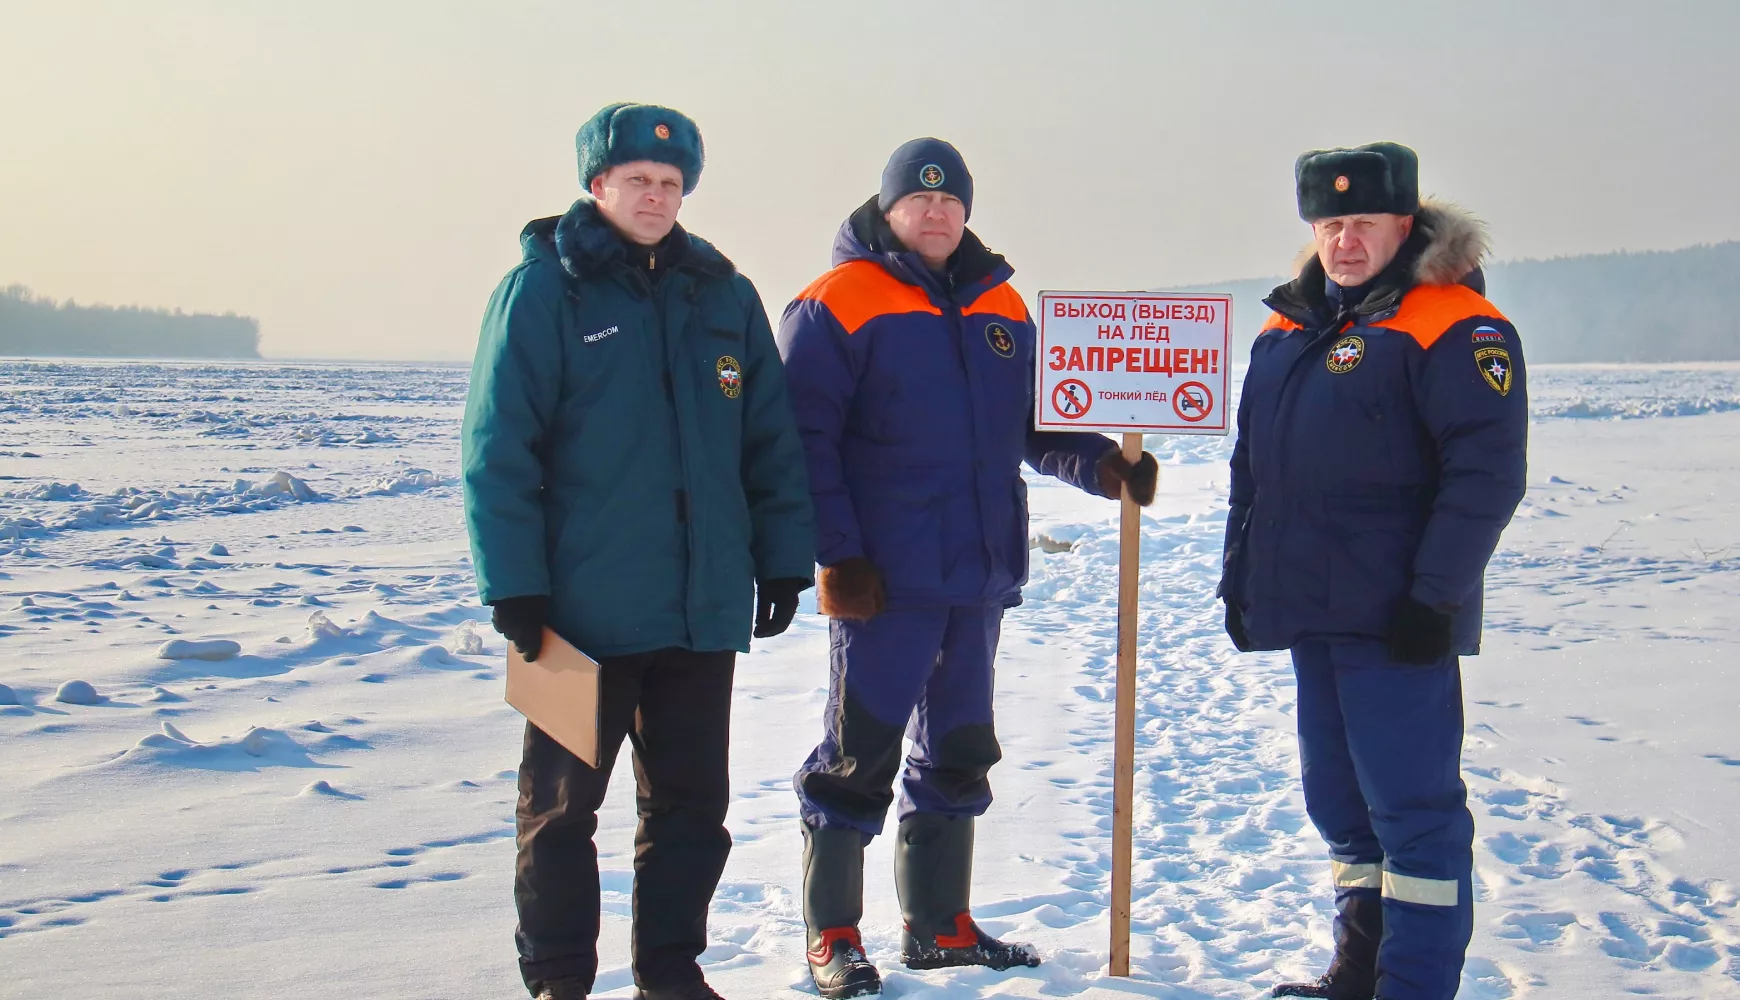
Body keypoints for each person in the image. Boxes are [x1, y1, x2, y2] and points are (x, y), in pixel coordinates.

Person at [778, 137, 1160, 998]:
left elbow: (1037, 423)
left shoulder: (1003, 306)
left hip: (977, 575)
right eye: (920, 200)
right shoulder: (835, 303)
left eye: (951, 202)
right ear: (889, 209)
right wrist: (837, 556)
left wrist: (1104, 464)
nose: (938, 213)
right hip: (885, 582)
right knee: (856, 757)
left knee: (958, 749)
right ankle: (832, 934)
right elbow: (803, 444)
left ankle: (939, 925)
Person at [461, 102, 817, 1000]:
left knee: (693, 811)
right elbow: (498, 450)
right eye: (637, 181)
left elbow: (767, 440)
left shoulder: (723, 294)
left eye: (670, 183)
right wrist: (516, 588)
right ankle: (557, 982)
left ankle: (669, 973)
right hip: (576, 616)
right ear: (597, 186)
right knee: (560, 813)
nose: (655, 196)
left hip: (699, 612)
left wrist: (780, 557)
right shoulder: (543, 290)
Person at [1219, 142, 1528, 1000]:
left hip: (1398, 622)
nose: (1345, 241)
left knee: (1413, 818)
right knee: (1343, 810)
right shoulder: (1290, 328)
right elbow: (1257, 469)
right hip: (1312, 616)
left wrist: (1434, 598)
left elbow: (1487, 476)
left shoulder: (1454, 324)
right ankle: (1358, 973)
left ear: (1406, 223)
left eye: (1362, 223)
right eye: (1329, 224)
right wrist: (1243, 581)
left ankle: (1414, 986)